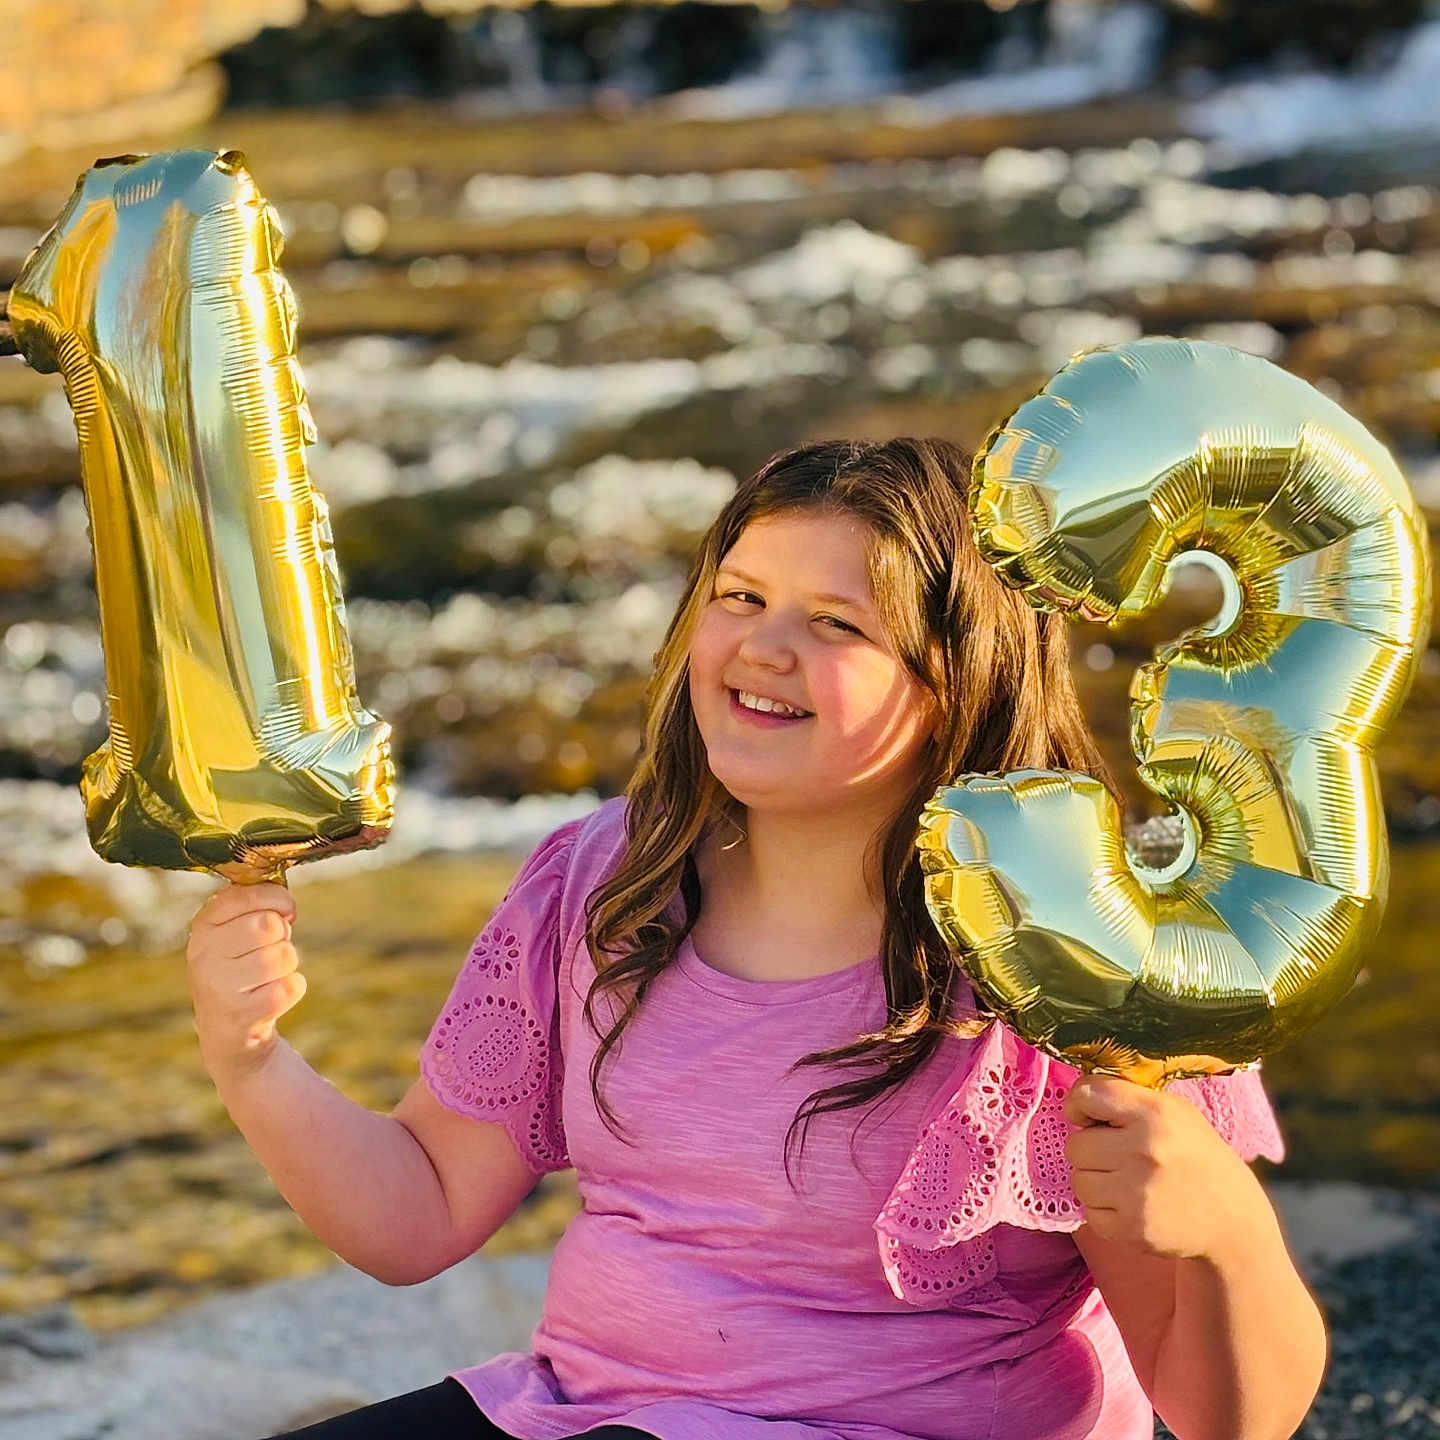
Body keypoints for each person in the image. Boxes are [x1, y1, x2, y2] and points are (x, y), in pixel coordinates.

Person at [186, 438, 1327, 1440]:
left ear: (959, 682)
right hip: (590, 1416)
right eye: (740, 597)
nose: (762, 648)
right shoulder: (603, 878)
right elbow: (421, 1210)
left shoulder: (1080, 956)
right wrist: (251, 1059)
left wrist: (1224, 1229)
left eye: (837, 623)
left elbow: (1231, 1418)